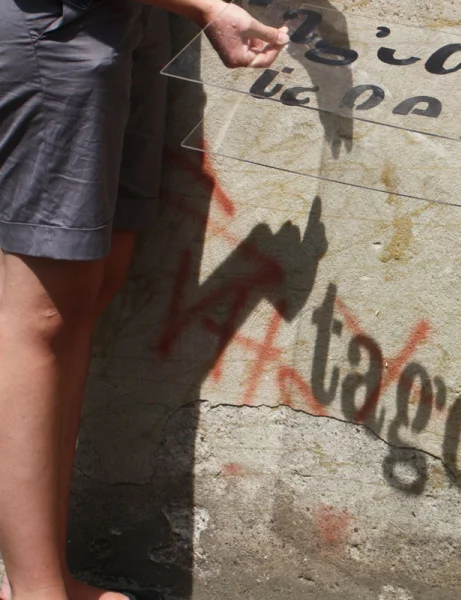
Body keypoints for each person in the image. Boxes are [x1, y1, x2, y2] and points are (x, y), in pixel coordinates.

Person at [0, 0, 288, 598]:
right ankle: (35, 592)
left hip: (139, 19)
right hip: (57, 22)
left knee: (90, 290)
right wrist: (205, 8)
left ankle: (46, 579)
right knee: (41, 315)